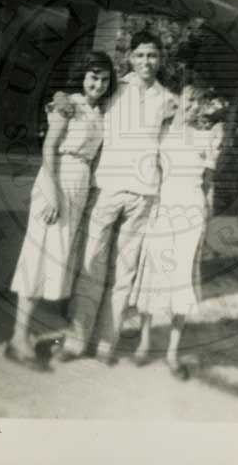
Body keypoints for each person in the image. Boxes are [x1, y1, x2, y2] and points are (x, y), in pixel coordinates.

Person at [56, 29, 175, 365]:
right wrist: (60, 99)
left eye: (152, 55)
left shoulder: (168, 100)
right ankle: (76, 340)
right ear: (130, 57)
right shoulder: (114, 88)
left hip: (144, 194)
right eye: (140, 55)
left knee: (124, 270)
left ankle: (106, 342)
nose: (146, 61)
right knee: (91, 263)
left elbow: (173, 145)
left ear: (160, 59)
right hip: (106, 186)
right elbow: (82, 99)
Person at [4, 51, 116, 368]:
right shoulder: (68, 105)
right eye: (93, 76)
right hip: (57, 181)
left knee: (54, 260)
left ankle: (24, 333)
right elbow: (49, 148)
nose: (98, 84)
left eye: (104, 79)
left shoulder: (99, 112)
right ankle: (18, 337)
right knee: (38, 256)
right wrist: (52, 194)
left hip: (78, 187)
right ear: (83, 76)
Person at [131, 85, 225, 380]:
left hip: (192, 211)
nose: (193, 107)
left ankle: (172, 352)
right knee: (153, 273)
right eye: (188, 101)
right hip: (164, 206)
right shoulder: (162, 133)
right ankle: (144, 341)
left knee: (182, 278)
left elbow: (209, 183)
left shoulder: (206, 137)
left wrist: (207, 215)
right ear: (178, 102)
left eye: (198, 103)